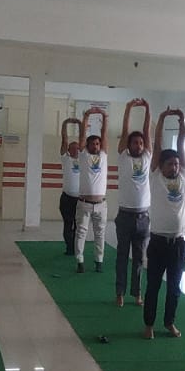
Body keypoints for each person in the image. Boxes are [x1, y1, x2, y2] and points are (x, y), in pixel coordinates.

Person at [143, 108, 185, 340]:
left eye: (177, 164)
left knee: (174, 287)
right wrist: (161, 119)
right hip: (158, 242)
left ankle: (169, 322)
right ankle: (149, 324)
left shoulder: (183, 177)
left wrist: (182, 123)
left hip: (179, 243)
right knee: (153, 286)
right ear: (161, 166)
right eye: (170, 164)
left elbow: (182, 146)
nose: (174, 167)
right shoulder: (155, 177)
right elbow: (157, 144)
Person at [113, 98, 152, 307]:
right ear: (128, 145)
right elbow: (125, 131)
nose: (138, 145)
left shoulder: (147, 158)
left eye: (141, 143)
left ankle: (137, 293)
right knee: (122, 256)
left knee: (139, 259)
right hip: (125, 216)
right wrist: (128, 108)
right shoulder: (124, 157)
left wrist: (148, 110)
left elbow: (147, 132)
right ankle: (119, 291)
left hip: (143, 217)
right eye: (134, 142)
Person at [74, 108, 109, 274]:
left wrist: (105, 117)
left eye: (97, 144)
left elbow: (105, 135)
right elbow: (82, 136)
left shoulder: (103, 156)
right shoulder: (84, 156)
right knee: (81, 232)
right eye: (92, 144)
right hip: (84, 204)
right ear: (87, 146)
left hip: (101, 204)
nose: (95, 146)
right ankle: (79, 260)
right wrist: (86, 116)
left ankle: (99, 261)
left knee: (100, 234)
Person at [59, 120, 82, 256]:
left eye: (78, 148)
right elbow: (64, 139)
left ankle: (77, 247)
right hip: (67, 198)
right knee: (68, 224)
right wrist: (66, 123)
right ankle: (69, 248)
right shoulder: (66, 159)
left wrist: (80, 125)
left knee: (79, 226)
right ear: (68, 150)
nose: (75, 150)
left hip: (80, 200)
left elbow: (83, 139)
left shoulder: (84, 159)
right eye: (72, 148)